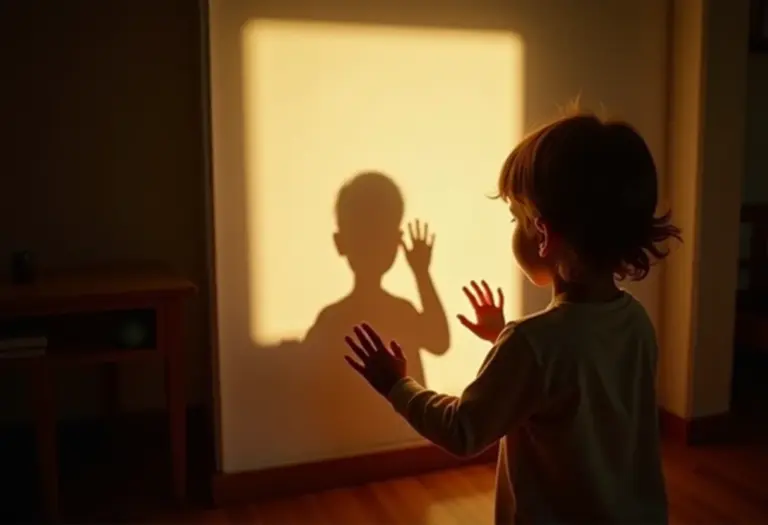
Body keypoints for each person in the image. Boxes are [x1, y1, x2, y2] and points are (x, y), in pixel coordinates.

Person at [343, 112, 680, 524]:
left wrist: (396, 385)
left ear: (543, 235)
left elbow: (463, 430)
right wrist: (502, 337)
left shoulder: (532, 344)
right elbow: (574, 382)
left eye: (515, 219)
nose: (513, 230)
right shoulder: (635, 323)